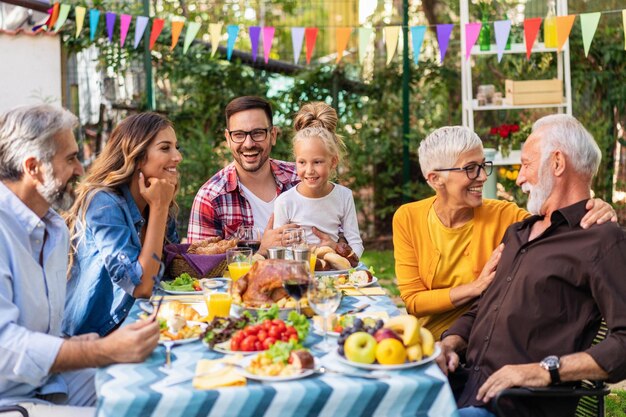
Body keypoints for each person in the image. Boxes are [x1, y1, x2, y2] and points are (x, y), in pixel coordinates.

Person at [437, 114, 626, 417]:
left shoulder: (600, 240)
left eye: (526, 164)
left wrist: (541, 371)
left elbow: (624, 342)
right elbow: (486, 304)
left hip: (513, 406)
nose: (519, 177)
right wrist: (450, 342)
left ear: (557, 164)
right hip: (460, 387)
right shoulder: (519, 232)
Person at [0, 105, 159, 416]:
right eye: (71, 158)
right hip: (10, 399)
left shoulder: (52, 227)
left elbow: (40, 329)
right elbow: (5, 346)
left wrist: (77, 343)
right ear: (34, 168)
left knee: (151, 391)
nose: (80, 170)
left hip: (50, 382)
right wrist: (99, 349)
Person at [393, 126, 616, 340]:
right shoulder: (408, 217)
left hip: (478, 342)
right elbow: (413, 301)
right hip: (424, 342)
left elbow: (560, 225)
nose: (482, 176)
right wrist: (475, 288)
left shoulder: (505, 215)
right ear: (435, 179)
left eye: (483, 165)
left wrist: (595, 206)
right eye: (471, 168)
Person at [63, 112, 181, 337]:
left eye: (177, 147)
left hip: (141, 322)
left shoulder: (160, 196)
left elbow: (173, 269)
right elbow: (141, 287)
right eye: (165, 148)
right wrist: (159, 208)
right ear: (136, 155)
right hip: (94, 338)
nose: (177, 156)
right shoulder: (103, 203)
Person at [187, 96, 300, 254]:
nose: (248, 144)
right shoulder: (210, 197)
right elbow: (200, 270)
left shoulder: (301, 179)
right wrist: (262, 251)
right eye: (239, 135)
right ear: (228, 138)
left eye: (258, 133)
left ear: (273, 135)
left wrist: (334, 243)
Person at [273, 101, 364, 256]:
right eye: (302, 162)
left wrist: (335, 247)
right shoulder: (285, 201)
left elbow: (356, 244)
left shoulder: (343, 196)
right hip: (298, 273)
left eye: (317, 162)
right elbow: (277, 248)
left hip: (335, 275)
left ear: (333, 161)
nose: (309, 171)